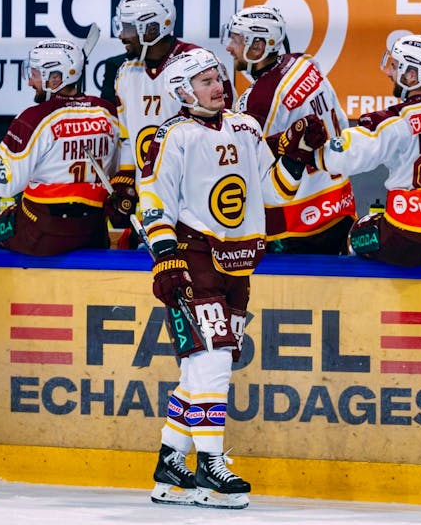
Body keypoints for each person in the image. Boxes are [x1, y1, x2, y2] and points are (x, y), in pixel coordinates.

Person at [138, 48, 324, 509]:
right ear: (182, 90)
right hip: (193, 257)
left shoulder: (246, 127)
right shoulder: (172, 136)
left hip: (238, 262)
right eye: (205, 81)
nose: (218, 86)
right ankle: (210, 463)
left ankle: (170, 460)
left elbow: (273, 189)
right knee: (216, 361)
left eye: (217, 77)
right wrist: (165, 258)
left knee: (200, 366)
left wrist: (297, 156)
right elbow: (153, 200)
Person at [315, 34, 421, 265]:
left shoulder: (396, 119)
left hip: (409, 237)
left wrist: (307, 150)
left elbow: (341, 157)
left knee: (355, 235)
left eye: (395, 66)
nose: (389, 72)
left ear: (412, 76)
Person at [0, 39, 122, 255]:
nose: (30, 82)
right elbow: (113, 171)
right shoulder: (107, 112)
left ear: (54, 79)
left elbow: (7, 183)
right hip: (93, 231)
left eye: (35, 74)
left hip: (44, 233)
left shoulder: (33, 119)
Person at [224, 5, 355, 254]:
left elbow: (249, 164)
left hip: (299, 222)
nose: (230, 47)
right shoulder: (303, 63)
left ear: (258, 47)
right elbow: (341, 121)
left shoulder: (261, 99)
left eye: (236, 40)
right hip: (339, 202)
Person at [110, 0, 234, 241]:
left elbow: (227, 130)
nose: (122, 35)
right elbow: (126, 136)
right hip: (153, 200)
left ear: (153, 29)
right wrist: (125, 175)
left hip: (199, 200)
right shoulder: (124, 73)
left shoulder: (200, 65)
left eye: (129, 28)